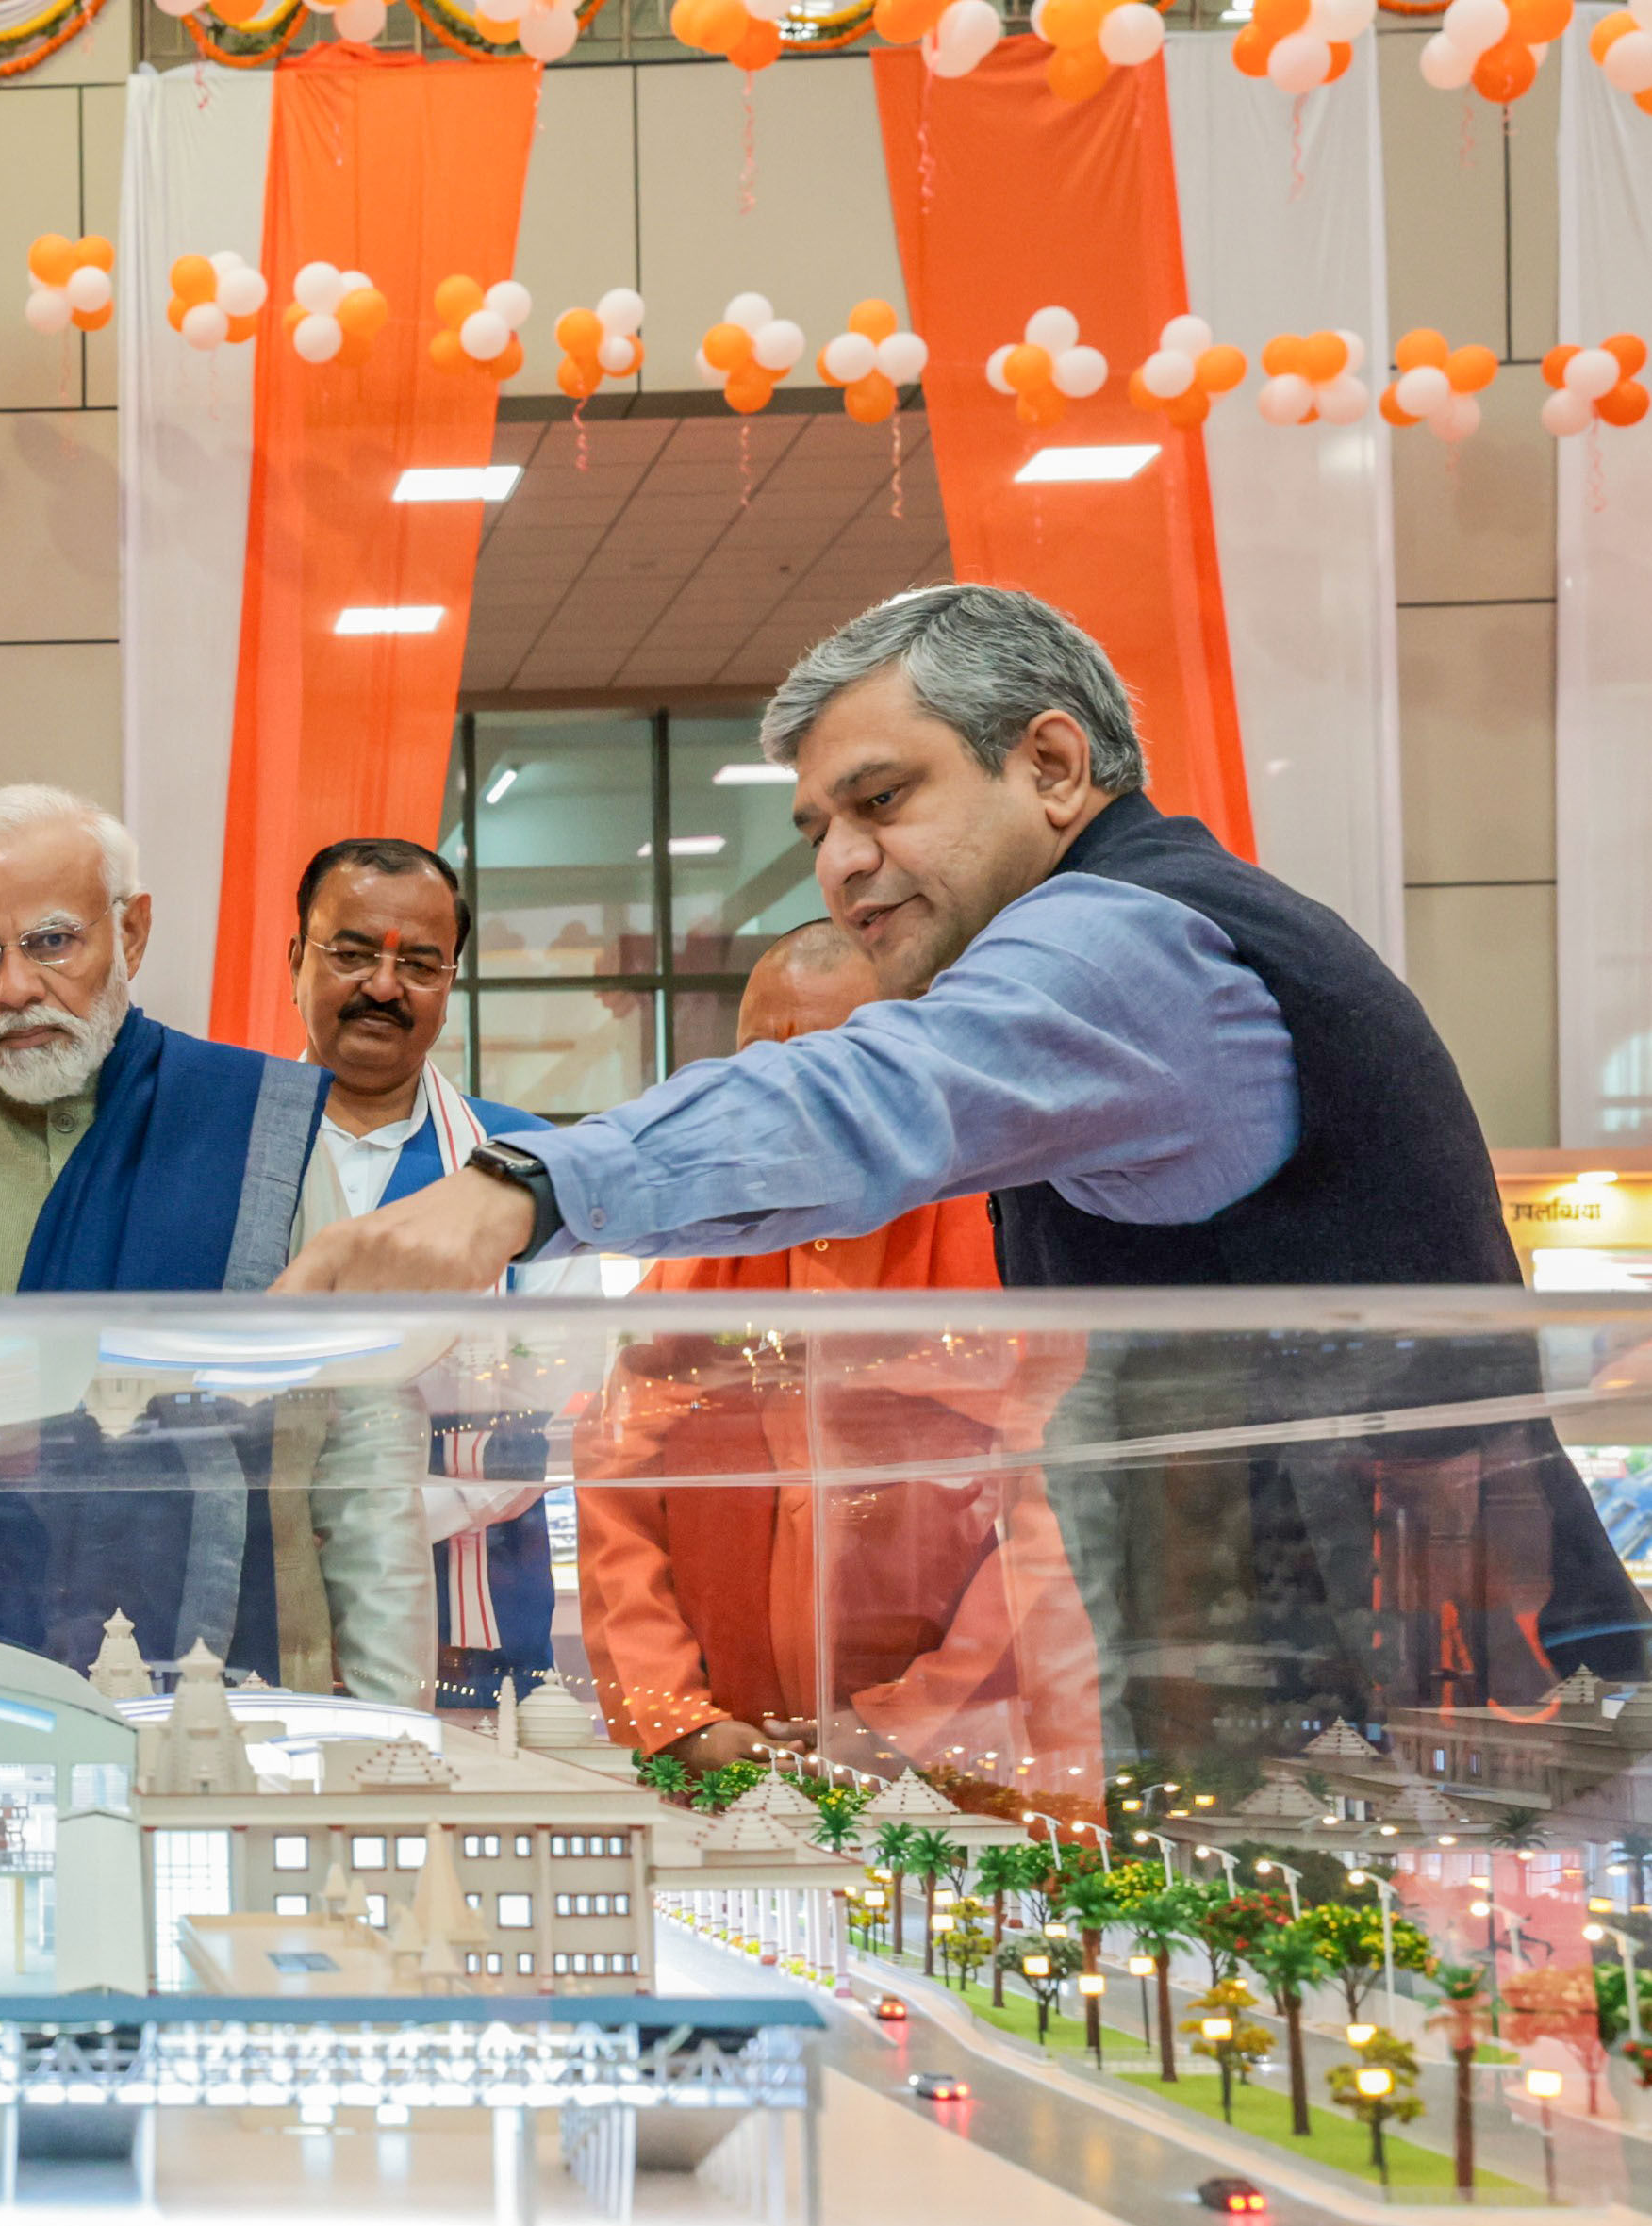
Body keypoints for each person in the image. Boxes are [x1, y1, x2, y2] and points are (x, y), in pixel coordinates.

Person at [284, 584, 1646, 1723]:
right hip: (1332, 1708)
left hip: (1448, 1714)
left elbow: (877, 1091)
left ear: (1052, 764)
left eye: (882, 799)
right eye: (818, 826)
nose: (843, 861)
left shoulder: (1132, 938)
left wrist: (528, 1181)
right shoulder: (1129, 938)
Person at [0, 784, 427, 1691]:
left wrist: (395, 1720)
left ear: (132, 932)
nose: (15, 987)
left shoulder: (262, 1128)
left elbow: (365, 1463)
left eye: (53, 941)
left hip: (237, 1692)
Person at [572, 921, 1101, 1801]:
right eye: (759, 1068)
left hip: (965, 1762)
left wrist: (907, 1724)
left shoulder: (1005, 1240)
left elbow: (1055, 1528)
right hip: (734, 1769)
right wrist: (678, 1717)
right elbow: (615, 1497)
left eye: (828, 1064)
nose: (786, 1099)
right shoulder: (694, 1259)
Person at [287, 836, 603, 1710]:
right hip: (263, 1627)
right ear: (295, 960)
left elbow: (555, 1416)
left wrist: (358, 1523)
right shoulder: (223, 1158)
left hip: (472, 1643)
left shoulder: (529, 1170)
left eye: (419, 963)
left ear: (449, 983)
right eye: (351, 953)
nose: (383, 986)